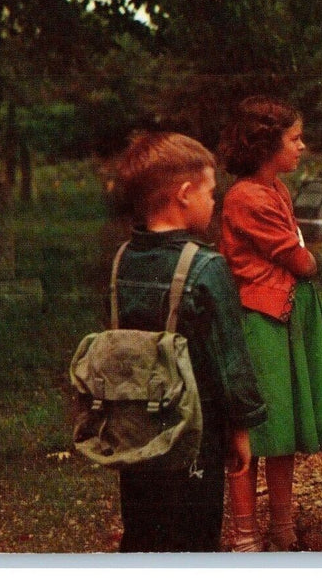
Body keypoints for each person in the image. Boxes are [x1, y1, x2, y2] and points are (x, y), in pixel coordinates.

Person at [111, 131, 267, 552]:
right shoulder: (207, 266)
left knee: (142, 525)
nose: (214, 202)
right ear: (184, 194)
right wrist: (241, 427)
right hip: (194, 428)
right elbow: (230, 358)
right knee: (194, 530)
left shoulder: (122, 259)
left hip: (136, 422)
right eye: (210, 192)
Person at [218, 95, 322, 552]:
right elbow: (297, 258)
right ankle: (245, 536)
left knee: (283, 429)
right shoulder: (246, 197)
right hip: (259, 321)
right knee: (254, 429)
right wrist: (311, 262)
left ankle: (282, 529)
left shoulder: (275, 189)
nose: (302, 146)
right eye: (294, 139)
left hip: (283, 317)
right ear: (265, 144)